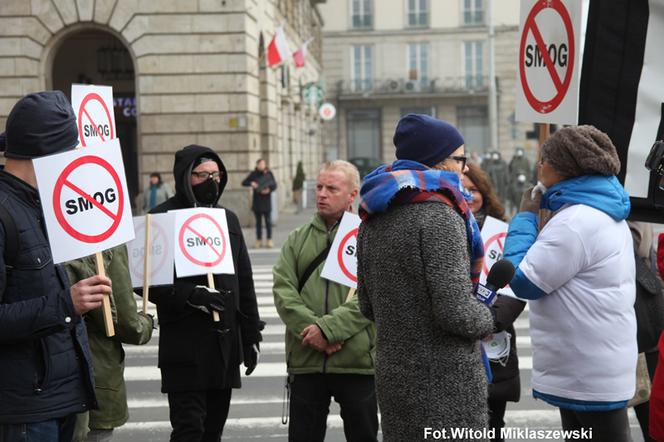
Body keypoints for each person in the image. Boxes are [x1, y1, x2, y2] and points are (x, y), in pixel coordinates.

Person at [356, 114, 495, 441]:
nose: (465, 168)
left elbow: (366, 305)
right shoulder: (440, 216)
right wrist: (488, 318)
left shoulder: (374, 213)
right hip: (445, 382)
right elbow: (455, 311)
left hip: (395, 377)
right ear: (437, 162)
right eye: (461, 159)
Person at [503, 125, 637, 441]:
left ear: (561, 168)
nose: (538, 166)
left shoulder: (577, 221)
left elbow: (522, 280)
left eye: (544, 159)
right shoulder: (593, 211)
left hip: (587, 370)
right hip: (591, 364)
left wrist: (524, 218)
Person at [0, 91, 112, 440]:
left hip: (61, 400)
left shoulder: (44, 204)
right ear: (47, 152)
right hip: (26, 410)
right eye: (71, 148)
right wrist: (67, 304)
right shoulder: (5, 211)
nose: (77, 157)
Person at [146, 145, 263, 441]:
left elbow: (244, 283)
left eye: (216, 174)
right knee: (189, 429)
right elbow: (145, 281)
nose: (211, 180)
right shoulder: (159, 218)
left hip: (223, 345)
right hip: (184, 346)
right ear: (185, 177)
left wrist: (249, 335)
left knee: (213, 430)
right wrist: (189, 294)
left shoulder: (228, 219)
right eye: (202, 175)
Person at [272, 160, 378, 442]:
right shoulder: (297, 240)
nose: (321, 194)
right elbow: (283, 291)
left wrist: (330, 330)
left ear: (352, 195)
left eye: (331, 188)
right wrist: (314, 332)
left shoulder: (372, 238)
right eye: (319, 187)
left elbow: (374, 296)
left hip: (357, 361)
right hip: (307, 359)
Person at [462, 163, 527, 442]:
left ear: (485, 193)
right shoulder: (442, 228)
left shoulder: (503, 232)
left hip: (494, 341)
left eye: (473, 189)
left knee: (492, 424)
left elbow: (515, 290)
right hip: (455, 341)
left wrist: (489, 321)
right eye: (462, 190)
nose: (468, 195)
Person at [66, 245, 154, 442]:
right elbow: (125, 322)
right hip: (95, 378)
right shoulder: (103, 238)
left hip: (34, 388)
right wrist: (147, 322)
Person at [242, 159, 277, 248]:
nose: (262, 165)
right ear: (257, 165)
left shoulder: (269, 173)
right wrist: (251, 183)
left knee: (268, 222)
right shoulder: (254, 174)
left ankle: (269, 239)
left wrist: (269, 190)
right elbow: (244, 182)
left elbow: (274, 185)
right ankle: (258, 240)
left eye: (263, 164)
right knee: (258, 223)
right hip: (257, 202)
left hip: (266, 202)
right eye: (260, 164)